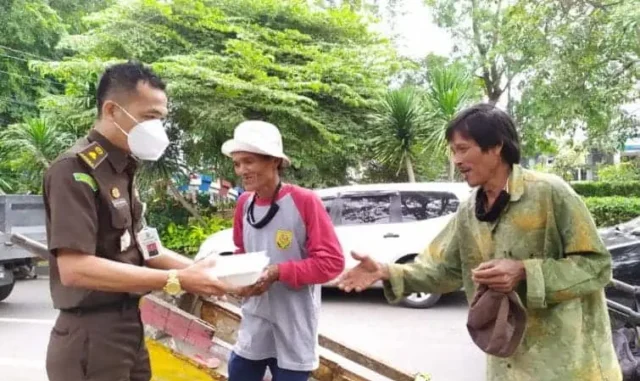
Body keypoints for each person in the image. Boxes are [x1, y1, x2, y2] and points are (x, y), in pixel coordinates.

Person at [338, 103, 622, 381]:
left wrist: (524, 271)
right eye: (453, 151)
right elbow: (443, 270)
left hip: (568, 364)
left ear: (496, 146)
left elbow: (596, 265)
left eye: (463, 149)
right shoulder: (468, 211)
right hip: (507, 364)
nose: (456, 160)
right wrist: (387, 271)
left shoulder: (550, 193)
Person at [43, 61, 228, 381]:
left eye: (160, 118)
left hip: (129, 326)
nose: (157, 127)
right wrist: (178, 280)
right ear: (113, 110)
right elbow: (75, 269)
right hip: (92, 335)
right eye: (149, 117)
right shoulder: (74, 171)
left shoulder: (123, 169)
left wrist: (205, 274)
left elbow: (146, 247)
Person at [220, 120, 345, 381]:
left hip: (294, 322)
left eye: (249, 161)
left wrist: (278, 271)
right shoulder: (244, 203)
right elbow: (241, 251)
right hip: (255, 318)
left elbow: (331, 263)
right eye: (237, 163)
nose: (241, 170)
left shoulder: (304, 201)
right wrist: (237, 280)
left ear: (274, 161)